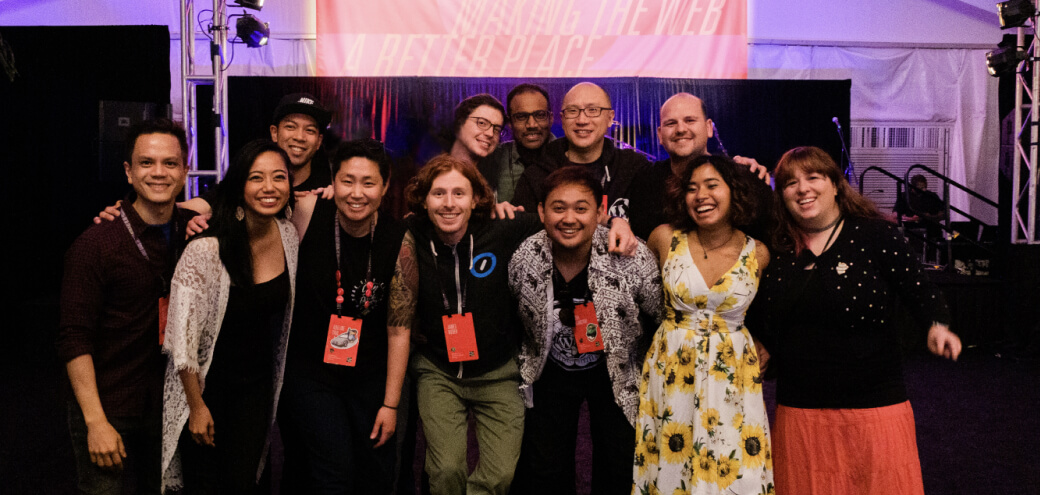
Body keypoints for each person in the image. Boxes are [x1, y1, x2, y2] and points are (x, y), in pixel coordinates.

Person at [388, 154, 639, 495]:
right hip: (439, 370)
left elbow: (567, 219)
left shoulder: (505, 229)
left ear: (476, 197)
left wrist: (616, 224)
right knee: (446, 470)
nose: (449, 203)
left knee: (499, 478)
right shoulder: (411, 232)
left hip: (499, 372)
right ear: (423, 199)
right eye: (438, 193)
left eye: (459, 193)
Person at [750, 146, 962, 495]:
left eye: (813, 177)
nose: (802, 188)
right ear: (781, 195)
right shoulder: (778, 248)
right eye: (790, 183)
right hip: (801, 409)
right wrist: (764, 344)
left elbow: (921, 291)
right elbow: (768, 313)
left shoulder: (876, 235)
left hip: (874, 406)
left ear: (836, 185)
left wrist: (937, 326)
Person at [57, 118, 195, 495]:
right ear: (128, 171)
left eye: (170, 163)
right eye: (147, 163)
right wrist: (95, 422)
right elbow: (74, 339)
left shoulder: (194, 232)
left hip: (167, 404)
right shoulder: (96, 244)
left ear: (185, 170)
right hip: (109, 401)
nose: (159, 173)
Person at [508, 166, 662, 495]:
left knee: (619, 461)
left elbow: (663, 314)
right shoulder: (524, 259)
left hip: (616, 369)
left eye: (581, 208)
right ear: (541, 211)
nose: (569, 218)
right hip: (550, 367)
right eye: (558, 207)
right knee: (545, 467)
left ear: (600, 212)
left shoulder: (630, 255)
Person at [160, 139, 299, 493]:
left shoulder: (287, 235)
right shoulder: (206, 250)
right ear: (239, 186)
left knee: (245, 482)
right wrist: (196, 406)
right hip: (207, 389)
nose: (269, 187)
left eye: (279, 177)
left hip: (255, 390)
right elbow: (181, 339)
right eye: (257, 178)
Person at [633, 155, 774, 495]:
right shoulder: (664, 238)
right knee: (671, 457)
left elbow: (773, 308)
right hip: (672, 367)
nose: (701, 196)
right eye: (692, 189)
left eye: (712, 186)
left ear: (733, 191)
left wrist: (768, 343)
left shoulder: (759, 253)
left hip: (733, 372)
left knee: (734, 461)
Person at [278, 138, 409, 493]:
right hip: (312, 373)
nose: (356, 193)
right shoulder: (307, 212)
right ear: (332, 182)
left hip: (370, 375)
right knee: (333, 471)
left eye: (368, 182)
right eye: (347, 181)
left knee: (377, 472)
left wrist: (390, 404)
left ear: (384, 186)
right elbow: (247, 206)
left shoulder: (400, 240)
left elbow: (399, 330)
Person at [95, 92, 333, 224]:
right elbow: (195, 206)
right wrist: (136, 210)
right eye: (291, 127)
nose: (299, 137)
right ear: (274, 132)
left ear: (319, 140)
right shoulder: (248, 181)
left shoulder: (331, 184)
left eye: (310, 130)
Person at [628, 93, 769, 240]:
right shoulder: (645, 182)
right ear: (660, 135)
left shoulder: (743, 178)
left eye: (690, 120)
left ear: (709, 128)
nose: (681, 129)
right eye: (671, 123)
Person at [511, 82, 650, 219]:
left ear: (610, 118)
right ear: (562, 119)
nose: (582, 120)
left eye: (593, 110)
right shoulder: (536, 175)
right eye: (572, 111)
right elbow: (523, 235)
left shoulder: (634, 168)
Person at [480, 83, 556, 203]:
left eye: (540, 115)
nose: (532, 124)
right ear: (510, 122)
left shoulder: (567, 154)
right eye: (521, 116)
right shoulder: (495, 156)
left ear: (550, 118)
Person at [447, 93, 506, 167]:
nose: (490, 134)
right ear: (460, 122)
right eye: (482, 123)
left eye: (497, 129)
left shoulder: (497, 173)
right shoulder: (437, 169)